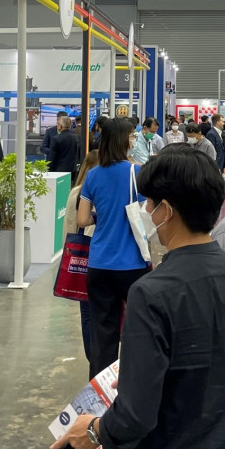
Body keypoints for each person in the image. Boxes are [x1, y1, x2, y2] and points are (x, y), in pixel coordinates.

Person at [51, 145, 225, 449]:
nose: (146, 211)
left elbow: (134, 418)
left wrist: (92, 430)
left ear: (165, 210)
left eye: (149, 203)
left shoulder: (150, 293)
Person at [76, 118, 151, 376]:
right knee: (139, 328)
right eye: (131, 136)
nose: (133, 140)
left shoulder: (93, 175)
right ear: (122, 140)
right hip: (133, 264)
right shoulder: (137, 172)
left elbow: (82, 219)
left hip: (99, 264)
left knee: (102, 332)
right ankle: (133, 383)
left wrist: (100, 216)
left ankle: (100, 389)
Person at [65, 150, 101, 361]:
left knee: (87, 313)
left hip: (80, 257)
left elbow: (69, 228)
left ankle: (93, 360)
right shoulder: (98, 191)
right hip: (97, 256)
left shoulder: (75, 192)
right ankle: (99, 360)